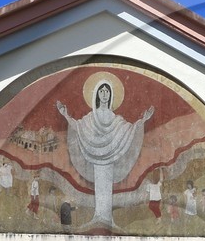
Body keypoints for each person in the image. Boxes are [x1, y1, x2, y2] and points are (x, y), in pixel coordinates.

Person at [56, 80, 153, 229]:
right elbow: (78, 127)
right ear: (96, 94)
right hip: (96, 160)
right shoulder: (90, 118)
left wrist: (143, 120)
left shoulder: (115, 119)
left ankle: (107, 218)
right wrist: (65, 115)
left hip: (109, 161)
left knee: (106, 188)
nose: (104, 94)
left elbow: (129, 129)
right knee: (100, 187)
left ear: (111, 95)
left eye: (107, 91)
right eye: (101, 91)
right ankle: (98, 216)